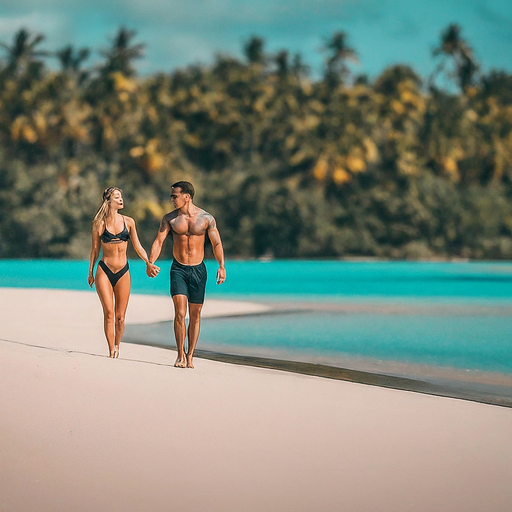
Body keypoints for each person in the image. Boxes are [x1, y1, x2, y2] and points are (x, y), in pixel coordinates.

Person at [147, 181, 226, 369]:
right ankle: (180, 354)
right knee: (180, 312)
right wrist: (151, 262)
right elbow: (159, 241)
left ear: (187, 197)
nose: (172, 199)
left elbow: (216, 243)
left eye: (175, 196)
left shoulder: (206, 218)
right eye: (172, 196)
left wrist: (221, 266)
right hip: (179, 269)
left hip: (199, 269)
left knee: (195, 314)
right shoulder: (170, 219)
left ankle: (191, 355)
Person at [88, 186, 159, 358]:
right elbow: (95, 250)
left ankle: (118, 345)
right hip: (104, 270)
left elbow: (137, 246)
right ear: (109, 200)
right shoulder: (99, 224)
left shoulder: (129, 222)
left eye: (121, 196)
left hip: (123, 271)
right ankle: (111, 349)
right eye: (117, 197)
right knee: (109, 313)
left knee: (120, 317)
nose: (121, 199)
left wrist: (148, 263)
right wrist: (90, 272)